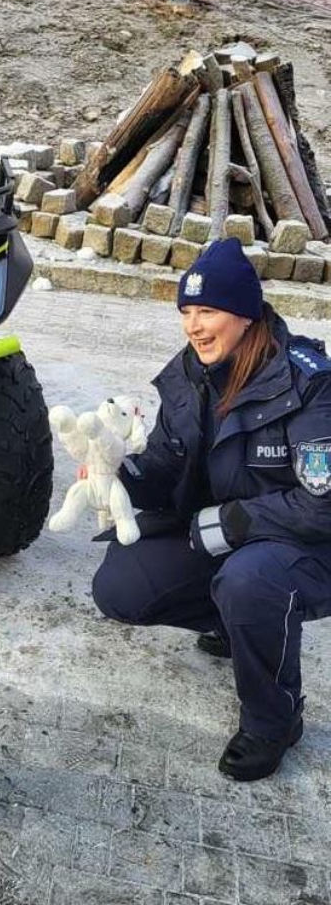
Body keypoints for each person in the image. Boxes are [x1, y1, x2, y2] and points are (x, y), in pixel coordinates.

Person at [91, 237, 331, 782]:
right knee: (121, 586)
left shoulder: (309, 384)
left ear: (245, 314)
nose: (194, 327)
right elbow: (165, 462)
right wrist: (119, 474)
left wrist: (233, 522)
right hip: (222, 535)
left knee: (251, 582)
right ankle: (240, 623)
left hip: (305, 545)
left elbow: (323, 505)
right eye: (186, 312)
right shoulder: (188, 373)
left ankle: (275, 720)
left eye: (208, 311)